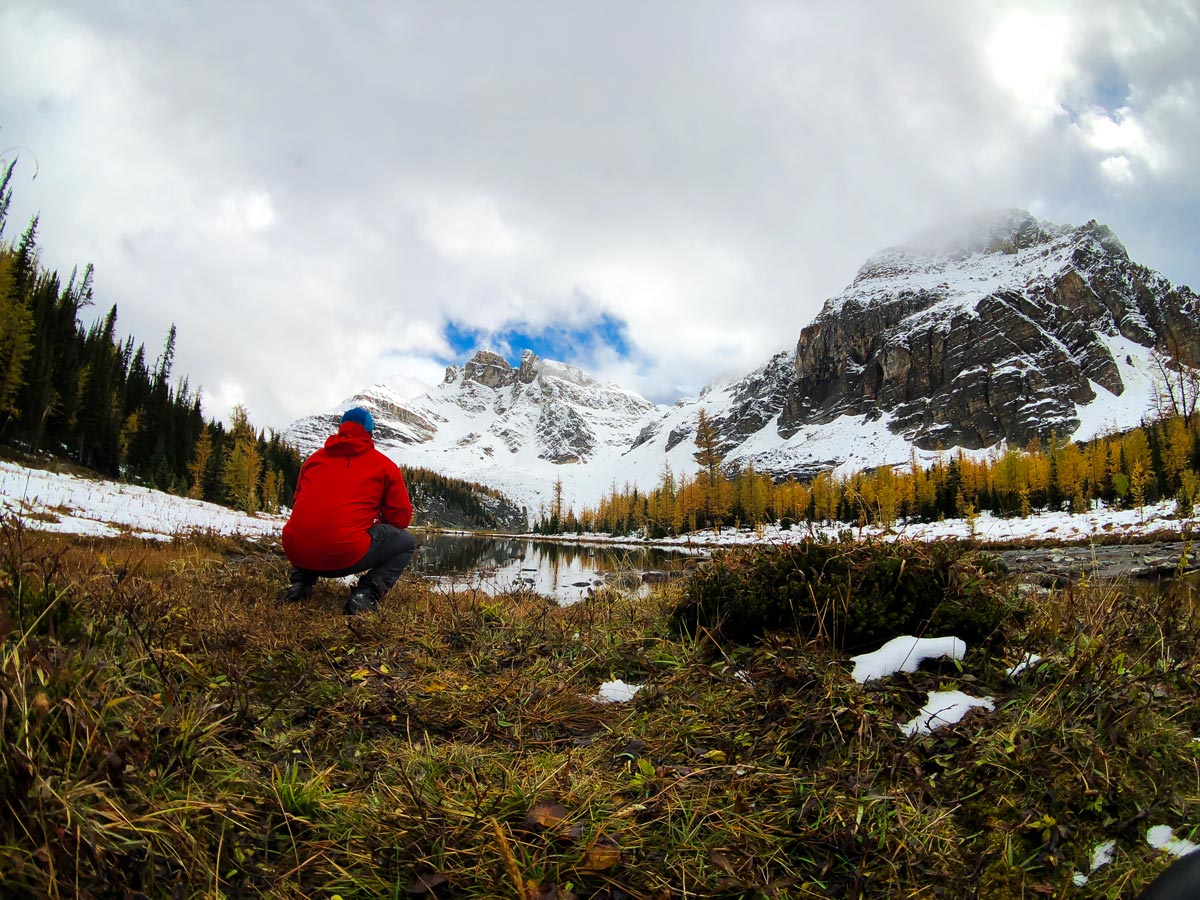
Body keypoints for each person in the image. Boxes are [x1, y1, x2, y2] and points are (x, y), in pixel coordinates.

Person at [281, 406, 417, 614]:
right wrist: (374, 524)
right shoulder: (384, 466)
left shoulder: (314, 459)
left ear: (341, 429)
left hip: (296, 551)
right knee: (407, 542)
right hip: (343, 555)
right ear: (371, 433)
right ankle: (366, 594)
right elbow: (400, 518)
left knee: (311, 525)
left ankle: (300, 586)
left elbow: (299, 501)